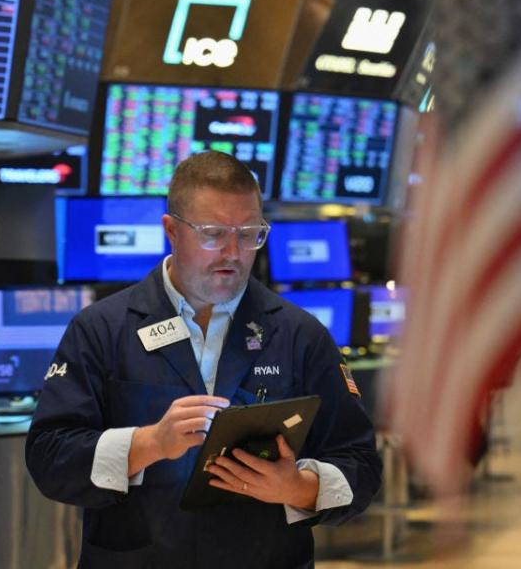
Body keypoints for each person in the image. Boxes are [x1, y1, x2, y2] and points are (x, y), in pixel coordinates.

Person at [26, 151, 381, 568]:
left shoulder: (300, 335)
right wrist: (149, 444)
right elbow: (50, 457)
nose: (232, 252)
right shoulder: (102, 329)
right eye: (213, 233)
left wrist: (299, 487)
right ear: (171, 231)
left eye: (249, 233)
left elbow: (360, 465)